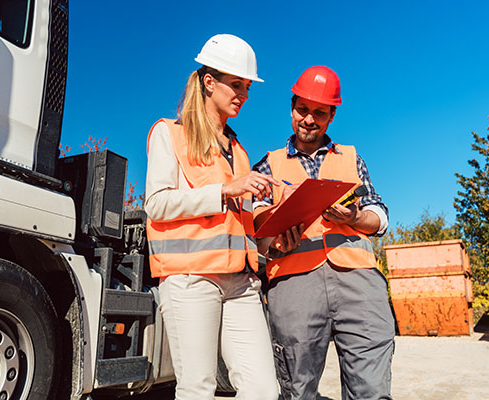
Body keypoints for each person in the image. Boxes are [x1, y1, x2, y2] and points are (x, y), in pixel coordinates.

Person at [144, 34, 301, 400]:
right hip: (190, 278)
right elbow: (157, 204)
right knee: (198, 388)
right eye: (236, 85)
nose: (243, 95)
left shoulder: (240, 153)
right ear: (209, 82)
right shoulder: (170, 134)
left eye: (247, 87)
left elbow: (238, 229)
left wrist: (271, 244)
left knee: (263, 389)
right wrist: (225, 190)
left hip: (241, 283)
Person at [253, 66, 395, 400]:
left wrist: (355, 216)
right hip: (294, 283)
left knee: (371, 389)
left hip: (358, 282)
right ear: (292, 109)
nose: (308, 119)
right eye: (302, 109)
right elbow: (256, 224)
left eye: (319, 112)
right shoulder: (268, 164)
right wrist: (272, 243)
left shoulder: (350, 157)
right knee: (297, 390)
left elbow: (379, 214)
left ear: (331, 116)